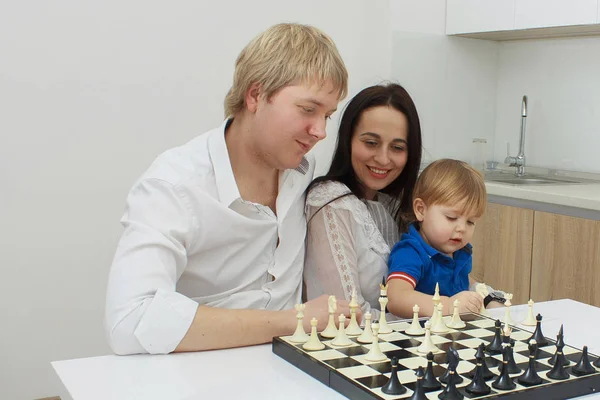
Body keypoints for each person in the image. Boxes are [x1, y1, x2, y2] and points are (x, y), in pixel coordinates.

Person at [104, 23, 351, 355]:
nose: (320, 131)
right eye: (308, 110)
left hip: (291, 372)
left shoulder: (302, 172)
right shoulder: (173, 186)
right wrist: (293, 321)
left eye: (328, 115)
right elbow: (129, 322)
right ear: (255, 96)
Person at [304, 83, 423, 320]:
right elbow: (347, 316)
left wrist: (489, 299)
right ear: (348, 140)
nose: (383, 158)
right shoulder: (330, 201)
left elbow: (450, 270)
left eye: (397, 147)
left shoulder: (396, 204)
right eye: (371, 143)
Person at [386, 159, 505, 318]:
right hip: (417, 338)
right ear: (421, 210)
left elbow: (463, 279)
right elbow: (396, 298)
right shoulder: (410, 252)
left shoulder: (457, 251)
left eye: (470, 222)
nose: (462, 228)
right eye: (451, 217)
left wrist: (488, 297)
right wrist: (449, 306)